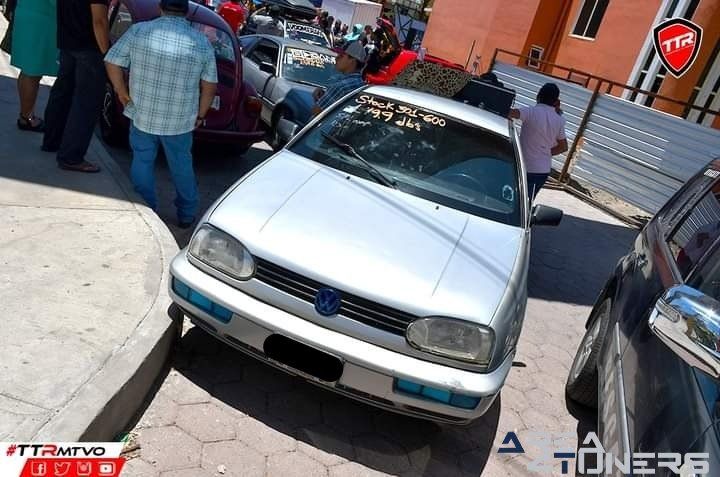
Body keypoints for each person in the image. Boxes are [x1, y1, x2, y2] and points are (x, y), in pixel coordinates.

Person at [104, 0, 218, 228]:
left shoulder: (139, 31)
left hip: (142, 114)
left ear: (160, 8)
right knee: (182, 166)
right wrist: (201, 113)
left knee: (142, 161)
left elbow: (112, 61)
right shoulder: (201, 42)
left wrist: (122, 92)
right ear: (186, 12)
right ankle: (187, 214)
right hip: (180, 121)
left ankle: (148, 209)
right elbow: (210, 84)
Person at [41, 0, 109, 172]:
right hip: (89, 46)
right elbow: (99, 21)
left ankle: (52, 141)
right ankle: (71, 156)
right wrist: (108, 55)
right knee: (85, 103)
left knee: (62, 93)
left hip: (68, 40)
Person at [508, 82, 568, 201]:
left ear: (538, 96)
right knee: (527, 202)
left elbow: (510, 113)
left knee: (511, 200)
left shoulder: (531, 112)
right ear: (556, 101)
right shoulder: (559, 120)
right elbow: (563, 147)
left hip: (523, 166)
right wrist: (545, 153)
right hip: (542, 170)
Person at [8, 0, 56, 132]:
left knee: (27, 71)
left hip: (28, 13)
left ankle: (25, 115)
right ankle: (27, 117)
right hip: (40, 19)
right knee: (32, 72)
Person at [312, 41, 366, 115]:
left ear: (352, 61)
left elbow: (316, 112)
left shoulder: (341, 86)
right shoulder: (362, 84)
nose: (336, 58)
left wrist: (317, 99)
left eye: (341, 56)